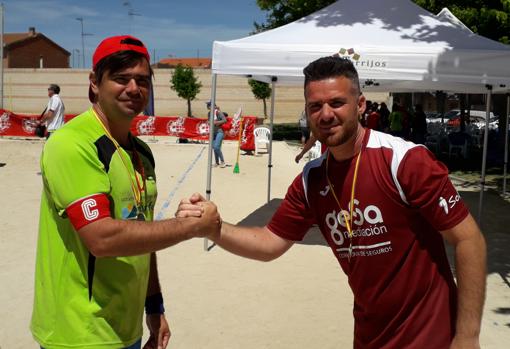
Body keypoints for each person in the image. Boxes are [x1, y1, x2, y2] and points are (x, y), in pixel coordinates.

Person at [177, 56, 486, 349]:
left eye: (337, 102)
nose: (326, 114)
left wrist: (467, 337)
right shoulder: (312, 180)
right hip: (369, 336)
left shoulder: (404, 161)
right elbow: (270, 242)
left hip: (431, 338)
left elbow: (469, 240)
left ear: (360, 105)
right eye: (315, 106)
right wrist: (216, 229)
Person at [31, 35, 221, 349]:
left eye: (142, 80)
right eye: (121, 79)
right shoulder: (70, 143)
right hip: (78, 333)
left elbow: (142, 234)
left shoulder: (141, 152)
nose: (134, 89)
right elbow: (102, 238)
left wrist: (155, 306)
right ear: (94, 82)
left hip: (126, 328)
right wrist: (189, 227)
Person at [206, 101, 227, 167]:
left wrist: (216, 122)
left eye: (208, 105)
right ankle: (217, 162)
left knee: (216, 147)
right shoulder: (209, 113)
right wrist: (208, 122)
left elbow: (224, 120)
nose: (207, 106)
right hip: (213, 132)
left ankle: (223, 162)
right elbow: (209, 120)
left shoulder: (218, 112)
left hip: (219, 132)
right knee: (214, 148)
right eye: (207, 105)